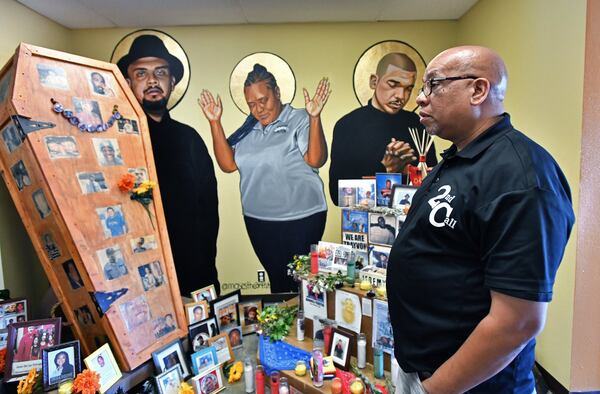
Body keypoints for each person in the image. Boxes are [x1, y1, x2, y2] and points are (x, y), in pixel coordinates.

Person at [386, 46, 575, 394]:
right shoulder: (459, 157)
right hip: (421, 367)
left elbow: (517, 321)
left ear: (478, 90)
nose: (420, 100)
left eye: (433, 85)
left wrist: (435, 390)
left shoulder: (521, 179)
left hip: (468, 385)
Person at [199, 64, 330, 293]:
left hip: (302, 218)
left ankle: (306, 326)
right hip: (259, 221)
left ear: (277, 93)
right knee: (277, 282)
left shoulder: (300, 118)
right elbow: (228, 165)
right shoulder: (248, 129)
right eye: (252, 104)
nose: (259, 109)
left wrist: (315, 118)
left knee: (301, 283)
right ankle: (282, 327)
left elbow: (316, 160)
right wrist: (214, 122)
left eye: (264, 100)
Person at [117, 34, 219, 296]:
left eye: (160, 72)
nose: (152, 80)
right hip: (138, 270)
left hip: (193, 268)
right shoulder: (116, 141)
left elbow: (209, 210)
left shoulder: (190, 138)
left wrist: (206, 264)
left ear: (172, 82)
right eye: (141, 73)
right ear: (128, 83)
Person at [329, 52, 438, 205]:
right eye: (393, 84)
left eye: (408, 88)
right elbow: (338, 195)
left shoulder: (418, 124)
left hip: (412, 221)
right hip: (363, 223)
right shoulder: (347, 125)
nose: (401, 96)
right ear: (374, 81)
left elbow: (433, 184)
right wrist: (387, 172)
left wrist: (408, 171)